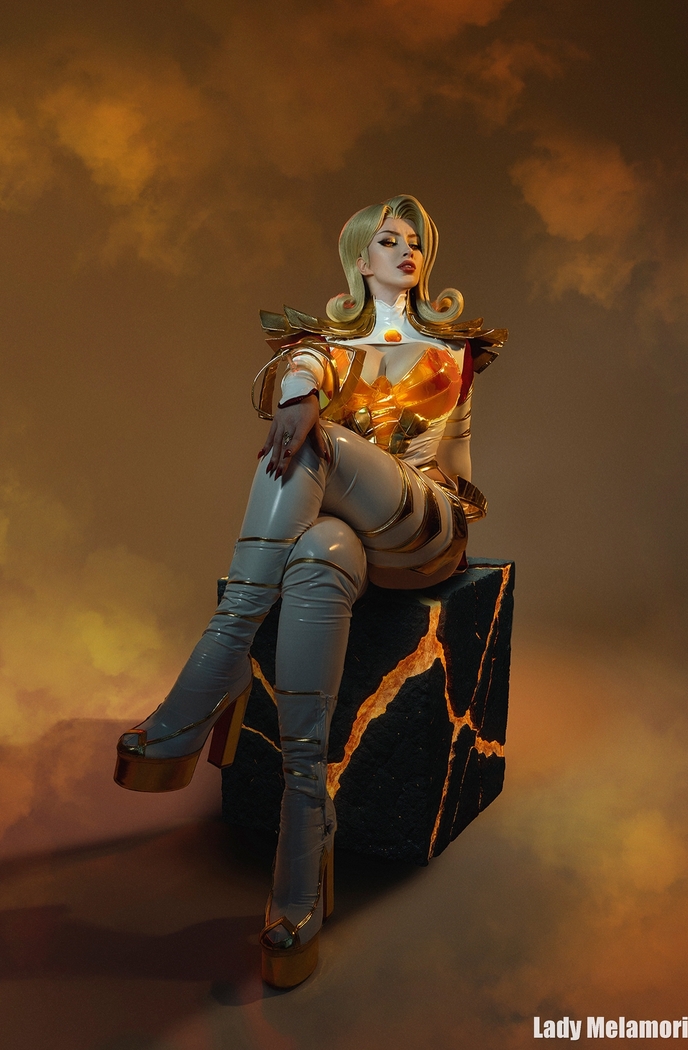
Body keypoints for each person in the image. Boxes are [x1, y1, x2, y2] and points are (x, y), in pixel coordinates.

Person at [114, 194, 506, 988]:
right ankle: (304, 836)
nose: (406, 251)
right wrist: (299, 392)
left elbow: (447, 461)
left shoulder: (451, 347)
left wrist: (307, 419)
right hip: (347, 533)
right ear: (360, 258)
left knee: (313, 446)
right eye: (388, 240)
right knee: (319, 553)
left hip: (427, 528)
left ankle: (217, 667)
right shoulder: (320, 346)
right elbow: (305, 366)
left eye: (415, 242)